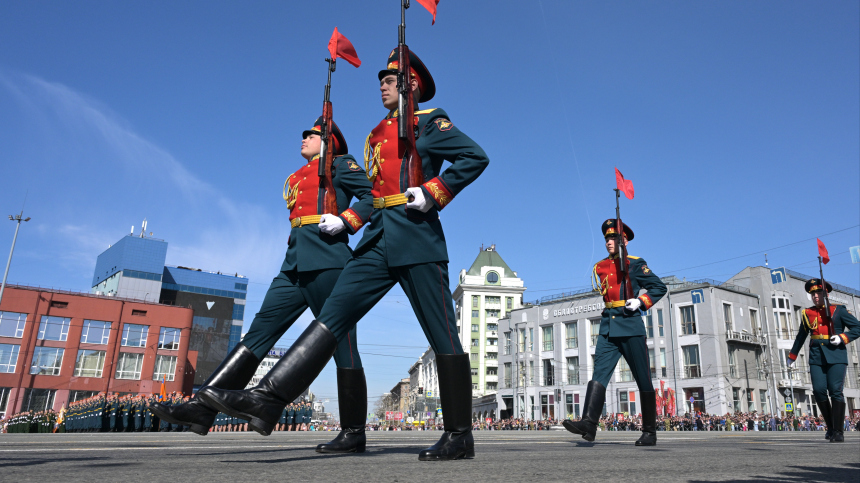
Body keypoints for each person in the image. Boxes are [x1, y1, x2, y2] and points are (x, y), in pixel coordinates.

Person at [199, 47, 489, 461]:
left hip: (417, 237)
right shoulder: (376, 133)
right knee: (333, 316)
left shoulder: (429, 123)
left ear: (411, 84)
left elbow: (475, 156)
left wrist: (434, 191)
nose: (382, 85)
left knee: (442, 335)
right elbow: (373, 190)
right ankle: (269, 397)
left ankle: (460, 435)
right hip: (376, 238)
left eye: (390, 80)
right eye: (381, 80)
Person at [152, 115, 373, 436]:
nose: (303, 138)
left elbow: (371, 196)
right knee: (257, 335)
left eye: (311, 134)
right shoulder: (298, 175)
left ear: (329, 142)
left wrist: (346, 220)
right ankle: (201, 408)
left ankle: (353, 431)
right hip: (294, 264)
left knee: (344, 345)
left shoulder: (340, 165)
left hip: (329, 261)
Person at [563, 219, 667, 446]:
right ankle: (589, 424)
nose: (609, 242)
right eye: (607, 239)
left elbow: (659, 287)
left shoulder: (635, 264)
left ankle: (650, 432)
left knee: (643, 378)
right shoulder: (601, 266)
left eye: (614, 238)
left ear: (624, 241)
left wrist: (641, 301)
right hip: (609, 327)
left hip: (630, 325)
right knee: (599, 374)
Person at [787, 278, 860, 443]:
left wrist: (842, 337)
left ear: (826, 294)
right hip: (816, 356)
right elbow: (801, 336)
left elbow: (858, 328)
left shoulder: (838, 310)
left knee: (835, 390)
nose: (815, 296)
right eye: (812, 294)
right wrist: (792, 355)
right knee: (819, 390)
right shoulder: (808, 313)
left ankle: (839, 431)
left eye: (818, 293)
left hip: (836, 354)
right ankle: (831, 427)